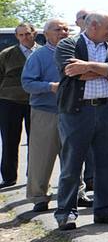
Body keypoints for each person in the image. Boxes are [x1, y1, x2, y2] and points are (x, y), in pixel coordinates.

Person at [54, 11, 108, 229]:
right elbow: (71, 72)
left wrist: (87, 66)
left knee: (107, 164)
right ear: (93, 26)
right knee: (72, 164)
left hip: (107, 111)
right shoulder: (68, 44)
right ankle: (66, 213)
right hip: (77, 112)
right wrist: (105, 71)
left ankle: (104, 211)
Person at [22, 19, 69, 211]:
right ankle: (39, 196)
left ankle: (77, 192)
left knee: (73, 156)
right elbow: (27, 83)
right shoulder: (38, 56)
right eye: (58, 29)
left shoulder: (78, 53)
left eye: (66, 29)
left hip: (73, 112)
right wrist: (50, 87)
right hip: (46, 112)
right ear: (46, 34)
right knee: (42, 156)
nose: (63, 32)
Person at [0, 22, 37, 187]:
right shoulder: (6, 54)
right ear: (16, 37)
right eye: (21, 35)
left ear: (34, 34)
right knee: (9, 140)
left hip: (36, 102)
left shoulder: (42, 52)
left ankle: (34, 174)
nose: (25, 38)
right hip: (9, 101)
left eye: (27, 34)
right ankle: (9, 177)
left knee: (36, 141)